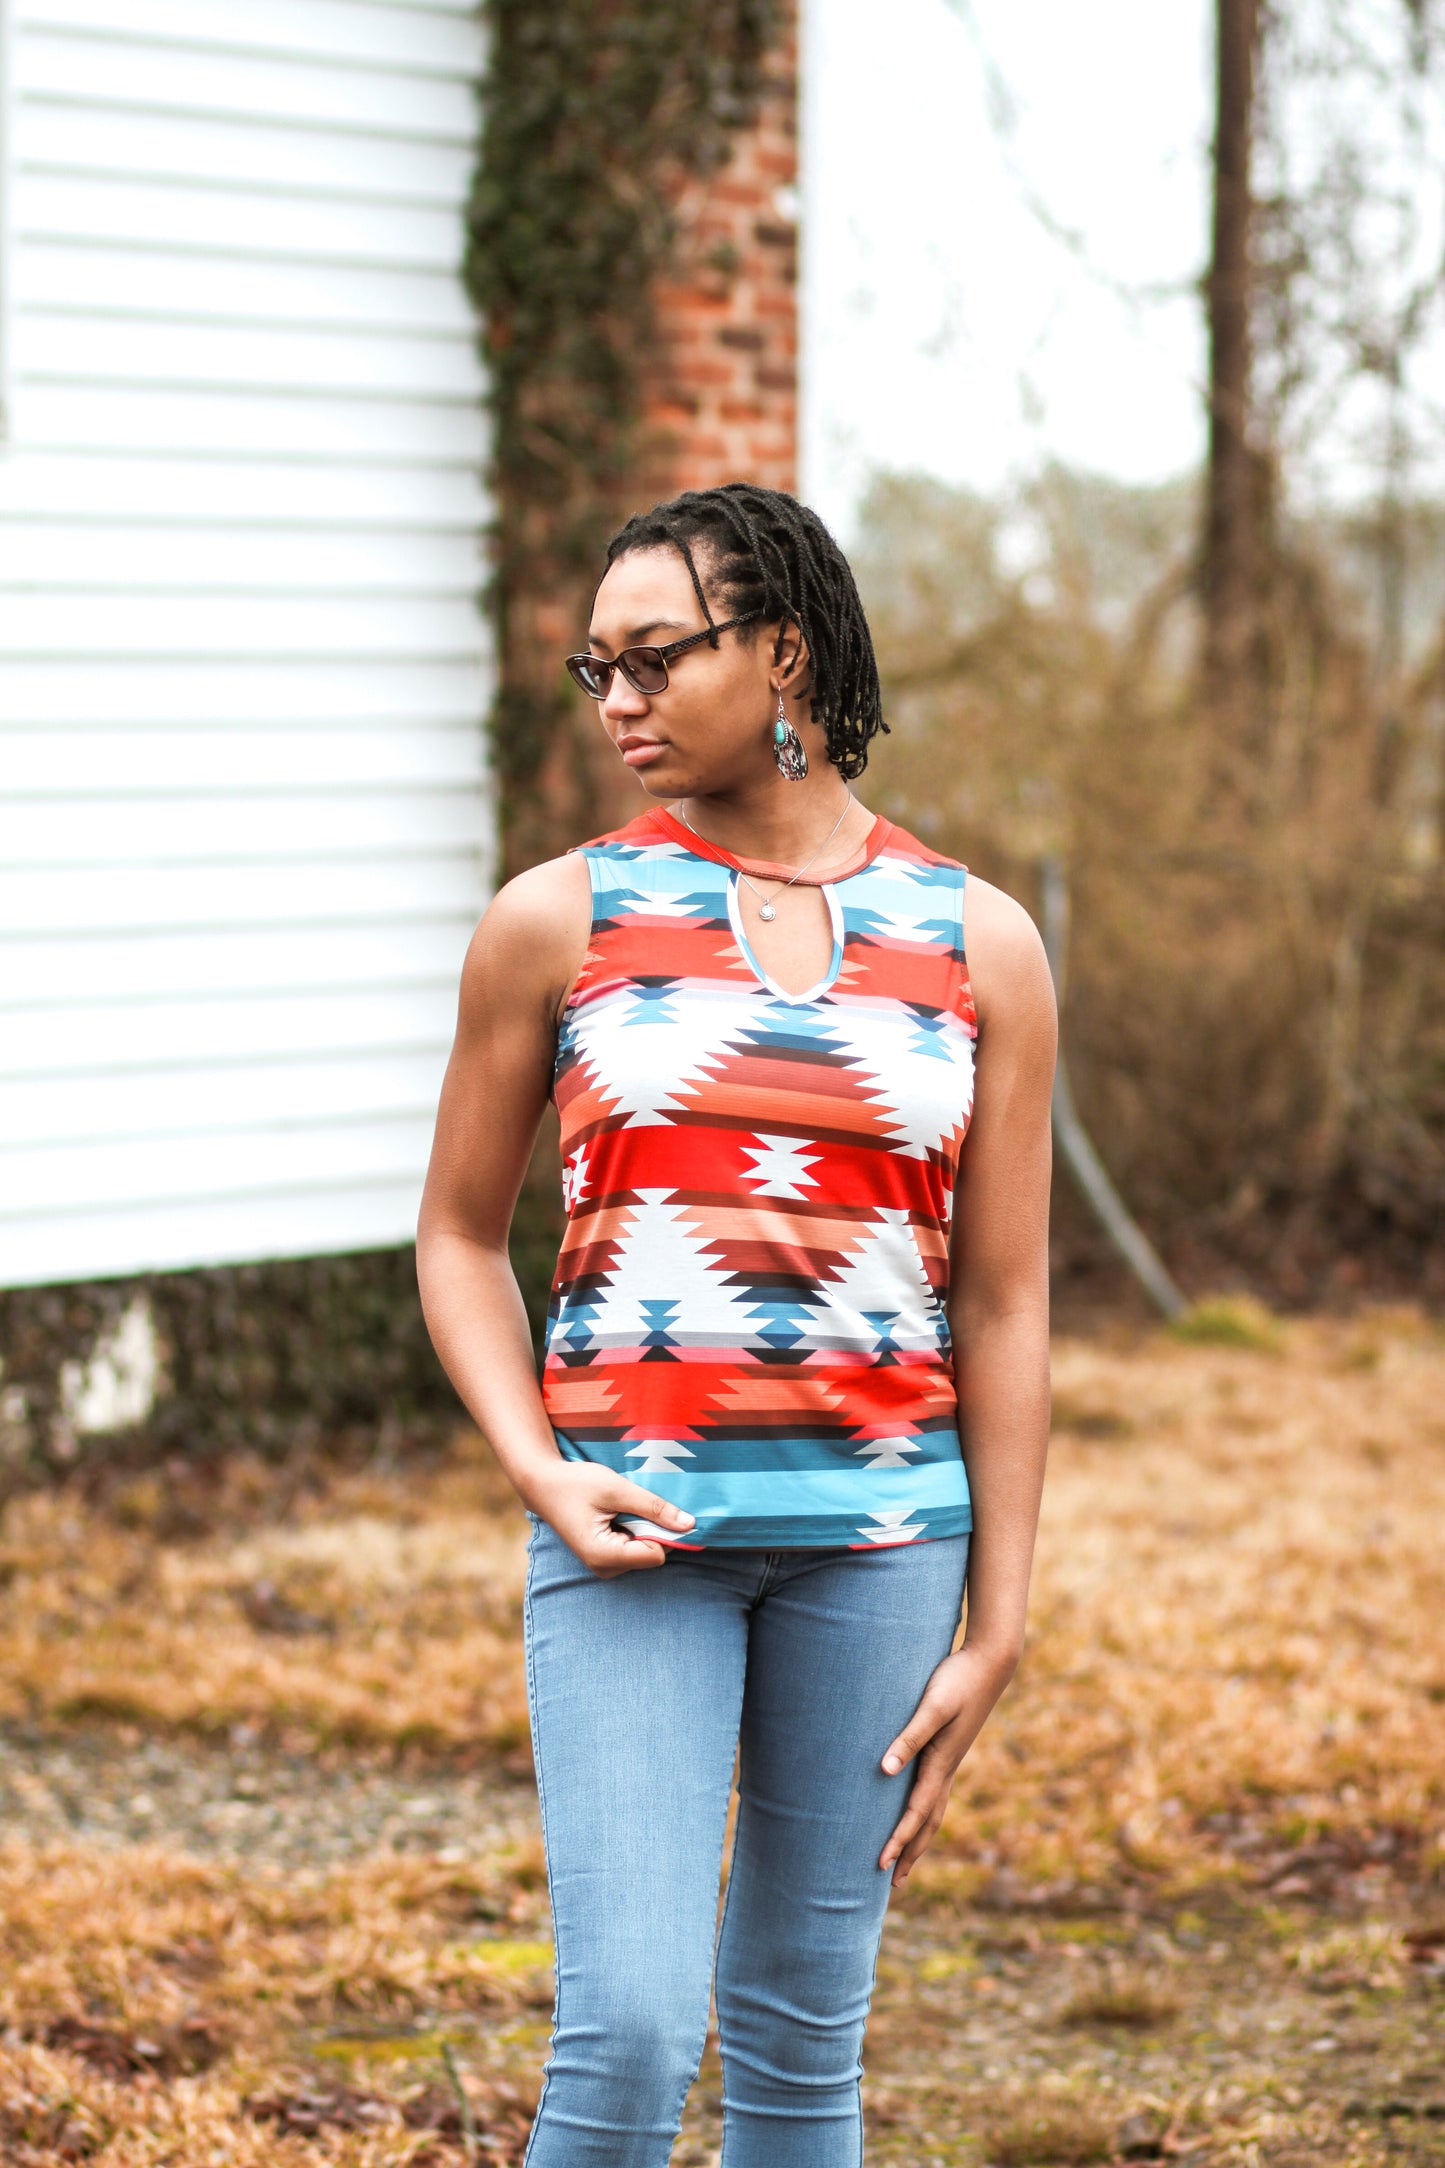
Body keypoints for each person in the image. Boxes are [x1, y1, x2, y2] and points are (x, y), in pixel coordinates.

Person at [417, 481, 1056, 2167]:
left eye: (653, 658)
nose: (616, 700)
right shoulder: (557, 918)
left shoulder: (977, 941)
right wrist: (537, 1472)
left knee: (794, 2045)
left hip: (881, 1548)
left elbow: (1001, 1296)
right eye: (594, 670)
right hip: (629, 1541)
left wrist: (995, 1618)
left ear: (781, 654)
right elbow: (456, 1237)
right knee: (624, 2036)